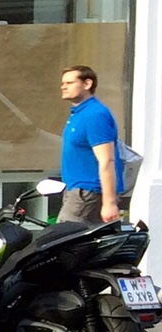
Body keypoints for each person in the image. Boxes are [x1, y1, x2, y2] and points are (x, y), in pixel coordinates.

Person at [59, 65, 123, 224]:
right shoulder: (78, 114)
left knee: (63, 235)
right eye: (63, 83)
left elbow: (107, 160)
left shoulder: (95, 115)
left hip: (89, 191)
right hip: (76, 190)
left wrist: (109, 203)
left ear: (87, 84)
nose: (64, 87)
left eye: (70, 83)